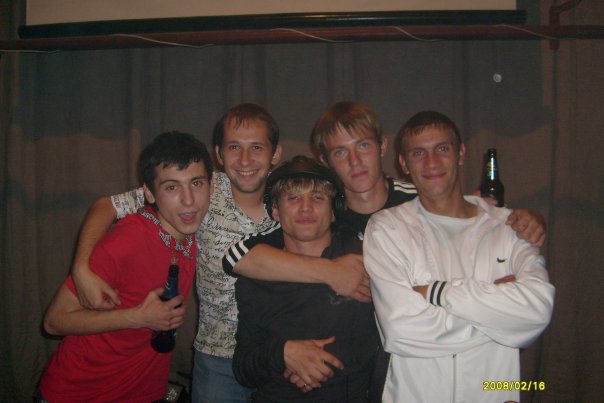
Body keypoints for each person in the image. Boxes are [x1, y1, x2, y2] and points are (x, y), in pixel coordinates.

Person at [222, 101, 547, 401]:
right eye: (340, 152)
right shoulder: (320, 219)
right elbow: (236, 256)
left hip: (460, 374)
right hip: (398, 379)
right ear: (326, 160)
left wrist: (522, 220)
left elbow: (472, 218)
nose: (354, 161)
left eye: (362, 146)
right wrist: (330, 274)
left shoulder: (419, 199)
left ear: (382, 147)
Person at [68, 103, 368, 403]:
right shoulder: (199, 188)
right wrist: (81, 268)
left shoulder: (290, 196)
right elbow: (107, 206)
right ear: (219, 154)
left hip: (285, 351)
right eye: (234, 147)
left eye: (257, 147)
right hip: (218, 361)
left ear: (275, 154)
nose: (245, 160)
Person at [363, 111, 555, 403]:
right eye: (418, 153)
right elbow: (401, 330)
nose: (432, 162)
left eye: (442, 148)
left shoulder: (508, 226)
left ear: (461, 153)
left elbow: (537, 312)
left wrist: (439, 293)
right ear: (403, 163)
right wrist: (501, 317)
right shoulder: (388, 228)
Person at [37, 131, 213, 402]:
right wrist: (137, 317)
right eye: (172, 187)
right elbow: (54, 321)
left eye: (197, 183)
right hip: (78, 393)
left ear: (212, 185)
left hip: (143, 391)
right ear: (149, 193)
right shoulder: (128, 240)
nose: (189, 200)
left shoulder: (189, 233)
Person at [233, 155, 380, 402]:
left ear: (333, 211)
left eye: (318, 198)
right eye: (293, 198)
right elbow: (243, 369)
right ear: (275, 210)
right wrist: (283, 354)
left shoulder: (364, 260)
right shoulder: (255, 275)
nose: (305, 208)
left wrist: (315, 365)